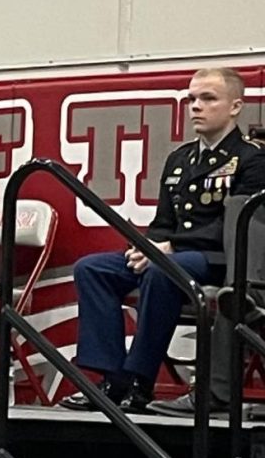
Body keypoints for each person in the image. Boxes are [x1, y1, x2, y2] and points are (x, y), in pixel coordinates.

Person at [61, 68, 265, 412]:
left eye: (208, 98)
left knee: (164, 270)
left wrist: (170, 249)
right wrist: (149, 247)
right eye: (191, 99)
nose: (195, 107)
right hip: (177, 256)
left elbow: (237, 225)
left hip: (222, 260)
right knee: (92, 269)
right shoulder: (179, 159)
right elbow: (163, 222)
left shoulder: (251, 157)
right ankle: (112, 379)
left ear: (235, 107)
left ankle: (140, 380)